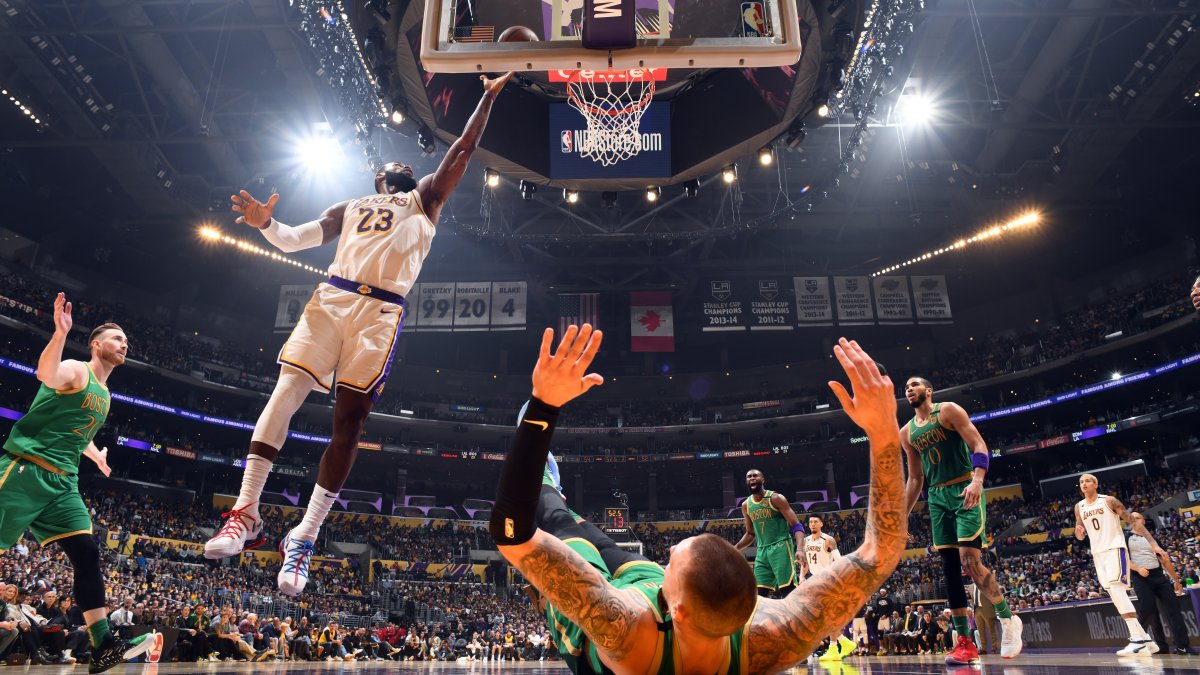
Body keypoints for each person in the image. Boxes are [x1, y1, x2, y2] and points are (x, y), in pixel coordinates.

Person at [204, 71, 516, 597]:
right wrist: (265, 224)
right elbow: (295, 239)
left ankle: (305, 533)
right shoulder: (348, 207)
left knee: (349, 419)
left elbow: (462, 149)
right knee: (286, 392)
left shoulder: (425, 199)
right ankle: (247, 512)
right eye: (387, 167)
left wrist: (487, 96)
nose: (394, 167)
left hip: (380, 313)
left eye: (403, 166)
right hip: (332, 298)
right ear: (376, 178)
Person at [490, 328, 907, 673]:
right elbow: (881, 551)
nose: (668, 548)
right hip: (651, 594)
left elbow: (511, 533)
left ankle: (547, 482)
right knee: (594, 537)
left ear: (678, 610)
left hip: (605, 624)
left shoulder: (620, 627)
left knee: (558, 521)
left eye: (674, 559)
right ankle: (554, 491)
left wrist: (542, 408)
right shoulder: (772, 634)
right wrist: (885, 429)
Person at [0, 294, 160, 673]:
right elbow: (46, 375)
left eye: (126, 342)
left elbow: (75, 431)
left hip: (63, 484)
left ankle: (103, 643)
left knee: (87, 553)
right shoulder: (75, 368)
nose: (124, 344)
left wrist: (94, 455)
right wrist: (59, 334)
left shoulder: (104, 394)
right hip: (27, 470)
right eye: (117, 338)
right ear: (96, 344)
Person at [900, 376, 1022, 663]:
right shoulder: (906, 432)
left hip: (964, 487)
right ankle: (964, 643)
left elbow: (979, 446)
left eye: (914, 385)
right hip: (936, 497)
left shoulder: (949, 410)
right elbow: (915, 478)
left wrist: (978, 480)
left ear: (928, 391)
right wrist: (902, 518)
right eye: (905, 387)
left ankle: (1008, 620)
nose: (909, 389)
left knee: (969, 559)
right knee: (950, 569)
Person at [1074, 473, 1165, 656]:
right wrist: (1079, 533)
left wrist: (1153, 543)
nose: (1084, 484)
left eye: (1088, 481)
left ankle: (1137, 638)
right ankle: (1147, 640)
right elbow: (1080, 535)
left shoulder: (1109, 501)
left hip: (1115, 549)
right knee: (1114, 594)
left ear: (1096, 484)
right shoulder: (1079, 507)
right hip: (1098, 553)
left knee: (1116, 590)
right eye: (1081, 482)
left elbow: (1133, 522)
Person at [733, 469, 806, 599]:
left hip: (781, 547)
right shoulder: (746, 505)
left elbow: (797, 525)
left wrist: (800, 549)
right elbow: (750, 534)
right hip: (761, 551)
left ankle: (797, 619)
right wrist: (735, 549)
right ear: (746, 481)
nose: (752, 478)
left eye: (755, 476)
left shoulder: (776, 498)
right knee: (759, 596)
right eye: (749, 477)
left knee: (788, 591)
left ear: (763, 479)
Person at [1128, 515, 1194, 655]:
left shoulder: (1153, 539)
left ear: (1144, 520)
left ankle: (1182, 645)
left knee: (1174, 609)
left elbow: (1165, 561)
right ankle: (1155, 645)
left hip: (1158, 576)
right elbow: (1123, 560)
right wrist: (1138, 569)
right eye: (1131, 518)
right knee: (1148, 609)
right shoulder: (1125, 538)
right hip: (1141, 577)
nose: (1135, 519)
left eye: (1138, 517)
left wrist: (1176, 580)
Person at [802, 515, 857, 661]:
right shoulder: (806, 540)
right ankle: (842, 643)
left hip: (828, 579)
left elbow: (839, 561)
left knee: (826, 616)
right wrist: (802, 576)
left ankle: (835, 647)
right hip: (814, 579)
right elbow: (805, 561)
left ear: (821, 524)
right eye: (810, 522)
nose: (813, 524)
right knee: (823, 617)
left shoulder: (828, 540)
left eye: (815, 522)